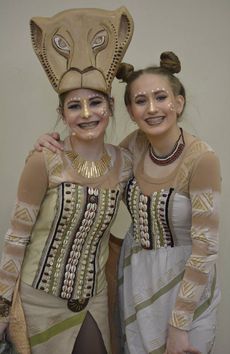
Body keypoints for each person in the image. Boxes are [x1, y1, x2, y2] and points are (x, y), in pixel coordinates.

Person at [34, 51, 221, 354]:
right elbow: (87, 168)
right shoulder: (132, 147)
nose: (152, 108)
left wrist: (179, 325)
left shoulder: (202, 159)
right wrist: (51, 145)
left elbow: (205, 249)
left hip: (186, 285)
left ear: (179, 102)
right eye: (140, 101)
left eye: (160, 97)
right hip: (136, 278)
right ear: (130, 110)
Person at [0, 7, 134, 354]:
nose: (86, 114)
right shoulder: (44, 159)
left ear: (111, 107)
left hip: (94, 298)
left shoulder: (125, 163)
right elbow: (16, 239)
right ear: (62, 114)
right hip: (37, 300)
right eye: (74, 106)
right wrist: (2, 309)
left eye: (95, 103)